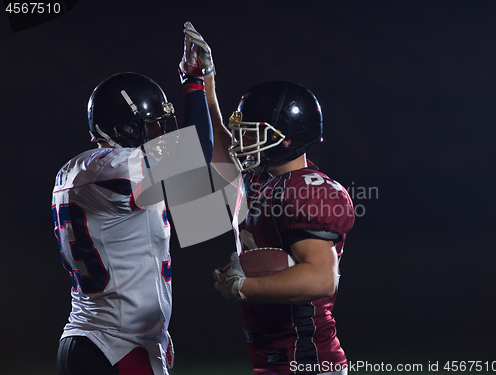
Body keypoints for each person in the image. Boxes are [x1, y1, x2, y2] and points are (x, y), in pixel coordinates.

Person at [51, 22, 215, 375]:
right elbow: (198, 152)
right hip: (114, 346)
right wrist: (195, 83)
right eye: (151, 125)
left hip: (96, 340)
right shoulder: (119, 168)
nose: (160, 133)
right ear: (124, 126)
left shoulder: (79, 170)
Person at [200, 42, 355, 373]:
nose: (242, 142)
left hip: (307, 359)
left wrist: (244, 287)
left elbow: (321, 279)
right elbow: (220, 146)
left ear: (286, 139)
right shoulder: (262, 180)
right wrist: (204, 85)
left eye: (252, 134)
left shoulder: (307, 190)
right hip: (276, 357)